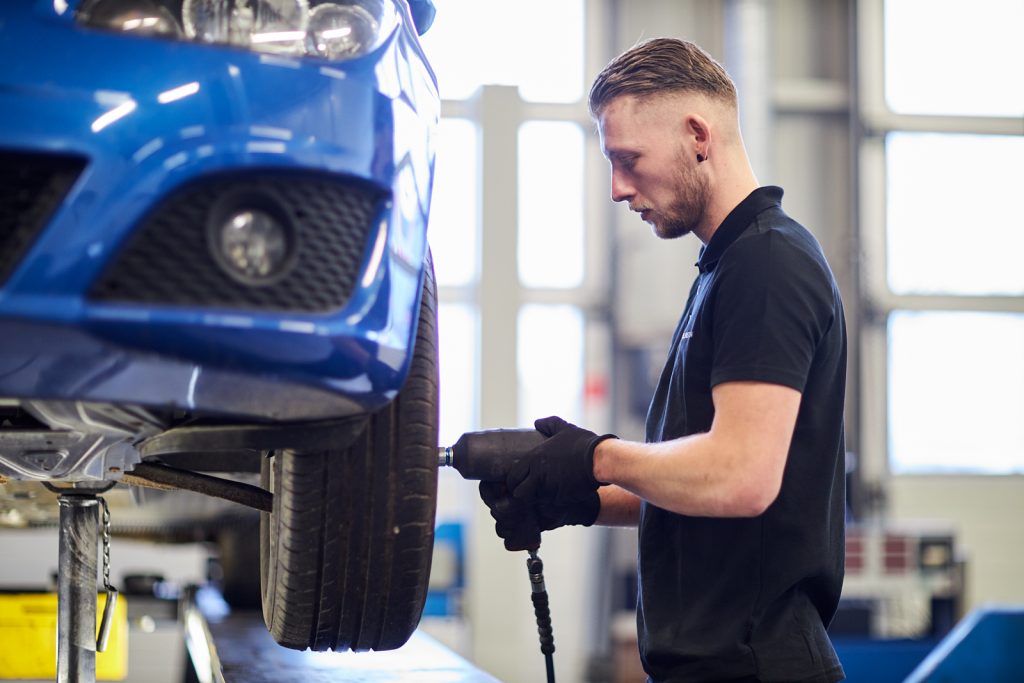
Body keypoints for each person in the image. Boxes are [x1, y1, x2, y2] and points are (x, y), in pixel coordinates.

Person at [479, 38, 848, 683]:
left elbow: (739, 476)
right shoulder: (727, 266)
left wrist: (597, 455)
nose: (619, 189)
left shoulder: (767, 265)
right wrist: (577, 495)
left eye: (629, 159)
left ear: (698, 135)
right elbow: (700, 484)